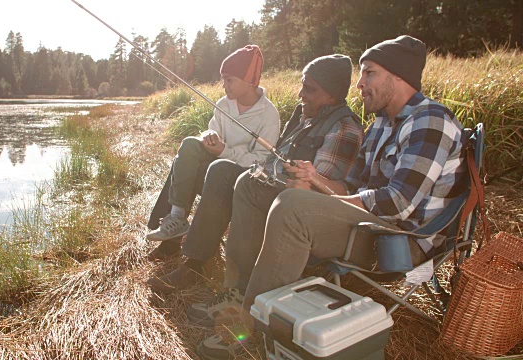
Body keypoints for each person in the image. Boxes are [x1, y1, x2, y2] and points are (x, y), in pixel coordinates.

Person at [196, 35, 468, 360]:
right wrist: (314, 180)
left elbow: (399, 204)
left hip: (401, 239)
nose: (359, 85)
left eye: (369, 73)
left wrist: (319, 202)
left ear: (398, 77)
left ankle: (253, 326)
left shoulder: (430, 121)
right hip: (370, 223)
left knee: (294, 206)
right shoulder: (382, 123)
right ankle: (236, 292)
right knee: (253, 185)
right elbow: (349, 186)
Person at [147, 54, 364, 296]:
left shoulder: (343, 128)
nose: (300, 94)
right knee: (196, 162)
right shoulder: (305, 116)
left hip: (288, 203)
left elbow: (321, 195)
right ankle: (182, 250)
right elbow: (273, 158)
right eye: (302, 85)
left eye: (309, 88)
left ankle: (206, 271)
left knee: (223, 173)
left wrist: (262, 170)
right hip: (266, 183)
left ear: (332, 95)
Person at [144, 45, 280, 250]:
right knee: (189, 147)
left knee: (187, 169)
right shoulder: (224, 104)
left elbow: (260, 161)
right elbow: (212, 132)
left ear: (250, 81)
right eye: (223, 79)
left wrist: (224, 152)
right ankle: (177, 218)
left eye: (229, 79)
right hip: (214, 165)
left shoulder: (269, 115)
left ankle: (174, 243)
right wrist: (207, 136)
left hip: (237, 180)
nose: (224, 85)